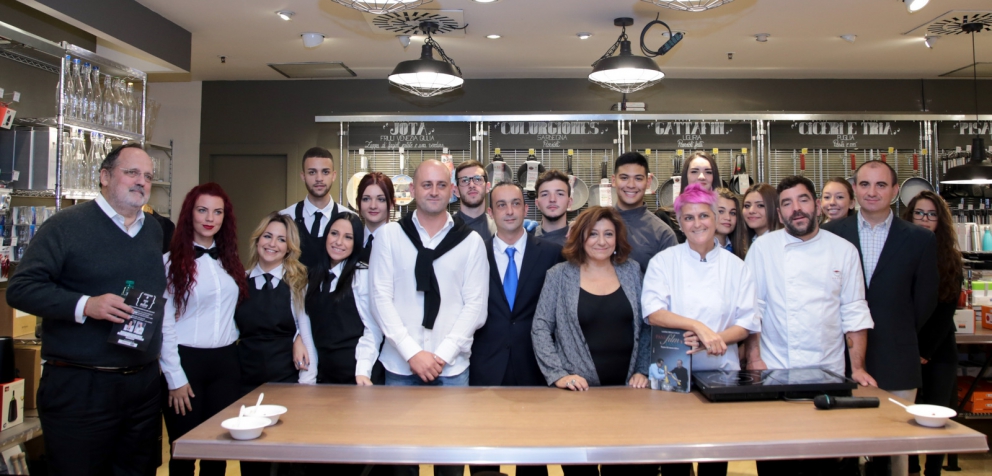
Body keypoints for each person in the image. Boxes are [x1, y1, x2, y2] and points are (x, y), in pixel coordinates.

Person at [6, 143, 165, 475]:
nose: (141, 181)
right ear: (105, 176)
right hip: (82, 386)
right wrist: (86, 305)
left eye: (148, 176)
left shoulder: (153, 230)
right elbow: (22, 288)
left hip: (141, 385)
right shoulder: (66, 226)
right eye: (132, 173)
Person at [744, 175, 875, 476]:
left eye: (803, 200)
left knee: (828, 462)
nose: (796, 209)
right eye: (787, 204)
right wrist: (753, 359)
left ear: (817, 205)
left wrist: (857, 368)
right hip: (777, 372)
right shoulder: (763, 249)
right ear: (780, 214)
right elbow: (752, 311)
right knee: (777, 464)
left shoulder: (844, 250)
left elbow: (854, 312)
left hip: (828, 372)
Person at [369, 159, 489, 476]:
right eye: (426, 184)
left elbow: (476, 307)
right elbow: (380, 300)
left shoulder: (471, 242)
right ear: (412, 190)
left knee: (450, 466)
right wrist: (412, 353)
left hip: (452, 370)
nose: (434, 191)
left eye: (441, 185)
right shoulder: (389, 236)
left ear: (452, 191)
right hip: (399, 367)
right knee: (400, 467)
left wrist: (441, 355)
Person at [822, 160, 939, 476]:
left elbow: (925, 300)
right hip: (839, 357)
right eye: (864, 184)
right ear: (854, 189)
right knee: (841, 447)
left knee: (896, 447)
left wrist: (896, 330)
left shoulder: (920, 239)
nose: (872, 192)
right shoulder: (830, 234)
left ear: (895, 191)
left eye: (881, 185)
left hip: (897, 357)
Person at [642, 184, 759, 476]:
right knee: (674, 458)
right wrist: (697, 326)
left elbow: (746, 323)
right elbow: (654, 313)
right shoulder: (664, 262)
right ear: (680, 224)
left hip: (721, 372)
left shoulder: (737, 267)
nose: (697, 224)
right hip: (671, 373)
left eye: (704, 215)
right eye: (689, 218)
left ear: (716, 218)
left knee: (715, 455)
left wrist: (712, 341)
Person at [531, 206, 653, 476]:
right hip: (578, 398)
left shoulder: (632, 271)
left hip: (626, 397)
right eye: (593, 234)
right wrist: (558, 374)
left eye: (608, 234)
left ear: (617, 238)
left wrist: (642, 369)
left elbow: (647, 326)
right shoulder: (559, 275)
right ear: (581, 237)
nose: (601, 241)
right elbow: (540, 327)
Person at [469, 182, 562, 476]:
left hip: (534, 367)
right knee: (484, 460)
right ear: (490, 212)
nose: (509, 211)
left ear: (525, 208)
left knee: (532, 461)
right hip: (485, 368)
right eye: (501, 205)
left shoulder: (551, 254)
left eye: (515, 203)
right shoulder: (474, 253)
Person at [160, 183, 249, 476]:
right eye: (202, 210)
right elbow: (164, 325)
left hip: (226, 365)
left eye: (217, 212)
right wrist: (175, 378)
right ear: (190, 214)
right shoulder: (168, 264)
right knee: (183, 451)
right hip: (186, 364)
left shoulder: (231, 262)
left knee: (217, 452)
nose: (210, 218)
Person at [236, 213, 317, 476]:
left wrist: (306, 386)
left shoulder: (298, 283)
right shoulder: (239, 280)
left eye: (281, 239)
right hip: (246, 381)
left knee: (285, 459)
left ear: (289, 247)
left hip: (286, 380)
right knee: (251, 460)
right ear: (257, 240)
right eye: (268, 236)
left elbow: (306, 334)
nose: (273, 244)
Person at [901, 191, 962, 476]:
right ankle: (911, 468)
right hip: (906, 346)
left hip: (938, 348)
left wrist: (925, 350)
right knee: (907, 415)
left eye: (932, 214)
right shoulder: (901, 252)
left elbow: (946, 308)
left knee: (937, 414)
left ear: (940, 221)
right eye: (919, 213)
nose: (925, 219)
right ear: (909, 216)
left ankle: (933, 471)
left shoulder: (949, 257)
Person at [279, 146, 349, 269]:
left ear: (334, 175)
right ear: (303, 176)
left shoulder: (349, 219)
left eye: (325, 172)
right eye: (312, 172)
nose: (319, 179)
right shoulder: (285, 217)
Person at [611, 152, 678, 273]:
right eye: (624, 178)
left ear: (648, 182)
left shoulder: (663, 234)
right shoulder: (596, 224)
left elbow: (672, 279)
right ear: (614, 180)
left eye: (638, 178)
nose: (631, 185)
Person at [453, 160, 497, 241]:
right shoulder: (446, 228)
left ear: (487, 187)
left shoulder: (499, 229)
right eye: (464, 180)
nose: (471, 185)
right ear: (456, 190)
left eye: (478, 179)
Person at [356, 172, 395, 264]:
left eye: (381, 199)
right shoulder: (351, 240)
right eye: (366, 199)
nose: (373, 206)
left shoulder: (400, 241)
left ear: (391, 203)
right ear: (358, 202)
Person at [532, 169, 572, 246]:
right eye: (545, 194)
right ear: (537, 204)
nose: (552, 199)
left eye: (560, 194)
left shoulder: (580, 239)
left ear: (569, 202)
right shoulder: (526, 239)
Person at [715, 188, 748, 259]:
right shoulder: (700, 251)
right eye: (721, 211)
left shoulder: (741, 250)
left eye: (732, 213)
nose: (728, 217)